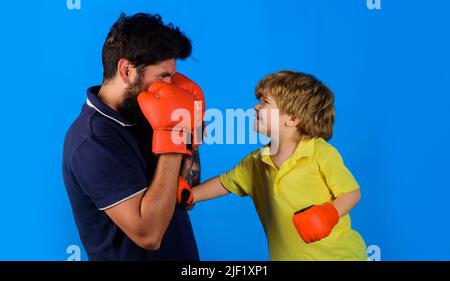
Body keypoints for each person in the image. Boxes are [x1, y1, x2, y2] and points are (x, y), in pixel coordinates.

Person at [182, 71, 368, 260]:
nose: (256, 107)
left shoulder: (319, 152)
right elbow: (224, 183)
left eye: (265, 102)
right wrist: (190, 195)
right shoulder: (256, 161)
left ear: (293, 119)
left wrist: (328, 215)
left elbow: (352, 193)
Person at [62, 12, 203, 260]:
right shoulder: (92, 142)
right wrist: (173, 133)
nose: (172, 86)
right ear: (127, 70)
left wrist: (192, 127)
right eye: (163, 76)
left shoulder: (144, 111)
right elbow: (148, 235)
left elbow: (186, 193)